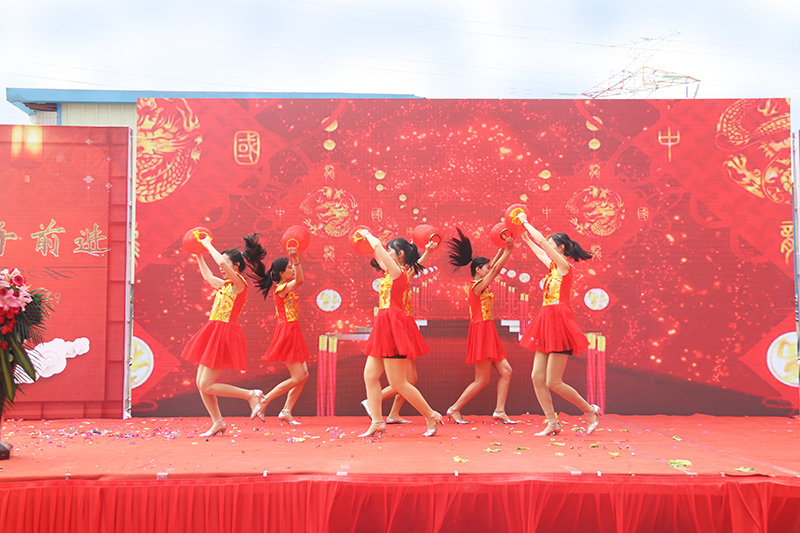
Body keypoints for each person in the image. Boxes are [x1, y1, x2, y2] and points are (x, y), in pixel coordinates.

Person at [516, 212, 600, 436]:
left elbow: (542, 244)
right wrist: (527, 241)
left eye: (552, 244)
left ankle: (590, 411)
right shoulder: (554, 267)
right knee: (537, 377)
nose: (547, 246)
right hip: (546, 321)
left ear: (561, 248)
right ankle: (552, 422)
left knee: (553, 381)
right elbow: (540, 251)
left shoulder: (564, 266)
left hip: (560, 322)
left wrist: (525, 221)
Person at [357, 230, 443, 438]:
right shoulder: (393, 272)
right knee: (370, 376)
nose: (387, 253)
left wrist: (367, 233)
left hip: (393, 326)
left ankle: (431, 415)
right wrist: (428, 252)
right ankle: (378, 422)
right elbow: (378, 253)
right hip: (383, 325)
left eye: (391, 250)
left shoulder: (398, 272)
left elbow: (377, 247)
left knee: (398, 383)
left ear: (400, 254)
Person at [181, 233, 267, 438]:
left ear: (235, 266)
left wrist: (208, 245)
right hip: (213, 331)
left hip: (224, 333)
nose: (221, 266)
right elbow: (208, 277)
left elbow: (219, 262)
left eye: (226, 263)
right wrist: (198, 254)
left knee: (206, 384)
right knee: (201, 384)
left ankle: (251, 394)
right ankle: (218, 422)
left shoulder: (239, 284)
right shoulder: (226, 285)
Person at [444, 228, 517, 424]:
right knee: (482, 380)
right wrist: (508, 251)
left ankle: (499, 411)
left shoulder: (481, 283)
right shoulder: (476, 287)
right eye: (486, 268)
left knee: (506, 372)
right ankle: (454, 409)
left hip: (488, 330)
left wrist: (502, 248)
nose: (489, 270)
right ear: (478, 270)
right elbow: (495, 270)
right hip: (481, 331)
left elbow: (493, 267)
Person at [249, 246, 309, 425]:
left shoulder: (284, 287)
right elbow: (300, 280)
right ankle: (264, 401)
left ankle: (286, 411)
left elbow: (298, 279)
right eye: (290, 268)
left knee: (304, 375)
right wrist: (296, 258)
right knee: (297, 377)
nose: (293, 270)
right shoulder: (280, 289)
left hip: (293, 330)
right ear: (282, 273)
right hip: (287, 332)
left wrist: (296, 259)